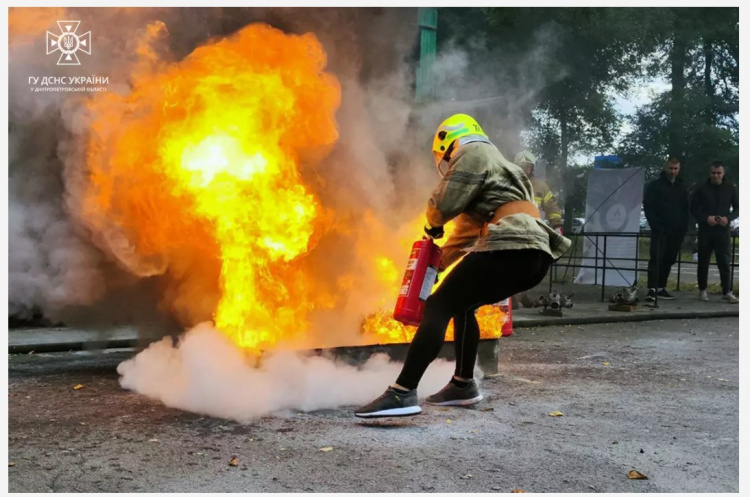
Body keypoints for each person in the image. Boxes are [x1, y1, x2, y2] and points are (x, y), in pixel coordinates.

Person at [354, 114, 571, 418]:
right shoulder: (505, 168)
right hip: (534, 256)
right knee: (462, 306)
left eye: (446, 156)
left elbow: (443, 203)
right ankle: (463, 385)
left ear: (449, 142)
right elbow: (467, 233)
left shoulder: (472, 151)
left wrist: (432, 225)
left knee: (438, 306)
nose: (447, 161)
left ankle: (402, 393)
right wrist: (434, 265)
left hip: (509, 248)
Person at [513, 149, 563, 308]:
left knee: (530, 266)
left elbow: (551, 206)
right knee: (515, 265)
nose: (523, 168)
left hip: (534, 231)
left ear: (532, 167)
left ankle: (519, 296)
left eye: (526, 165)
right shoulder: (510, 182)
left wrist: (557, 225)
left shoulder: (541, 186)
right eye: (520, 165)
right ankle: (516, 297)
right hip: (513, 230)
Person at [690, 161, 739, 303]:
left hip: (723, 230)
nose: (716, 176)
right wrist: (705, 218)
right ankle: (702, 290)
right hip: (706, 230)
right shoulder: (701, 189)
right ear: (709, 173)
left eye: (719, 173)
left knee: (724, 261)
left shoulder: (730, 188)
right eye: (713, 173)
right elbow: (693, 208)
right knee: (703, 261)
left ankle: (727, 291)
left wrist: (728, 218)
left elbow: (738, 208)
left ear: (723, 174)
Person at [642, 156, 689, 302]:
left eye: (676, 169)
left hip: (676, 231)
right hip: (660, 229)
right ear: (665, 168)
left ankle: (661, 287)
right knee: (656, 258)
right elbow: (649, 207)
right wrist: (656, 225)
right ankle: (652, 288)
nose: (673, 171)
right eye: (671, 168)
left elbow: (685, 208)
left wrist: (683, 227)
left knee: (669, 259)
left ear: (679, 169)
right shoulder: (655, 186)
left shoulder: (681, 186)